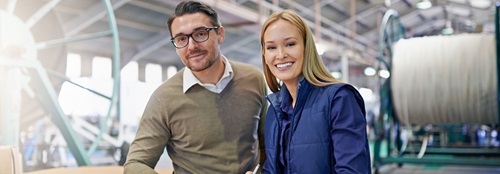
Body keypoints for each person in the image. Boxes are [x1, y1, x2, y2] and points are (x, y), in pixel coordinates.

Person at [124, 1, 267, 173]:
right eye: (182, 39)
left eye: (200, 34)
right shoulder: (164, 99)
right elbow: (136, 164)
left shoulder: (253, 79)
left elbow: (267, 144)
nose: (192, 46)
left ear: (220, 34)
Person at [260, 10, 371, 173]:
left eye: (290, 44)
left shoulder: (339, 99)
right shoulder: (274, 110)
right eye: (271, 47)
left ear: (307, 48)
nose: (281, 55)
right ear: (264, 54)